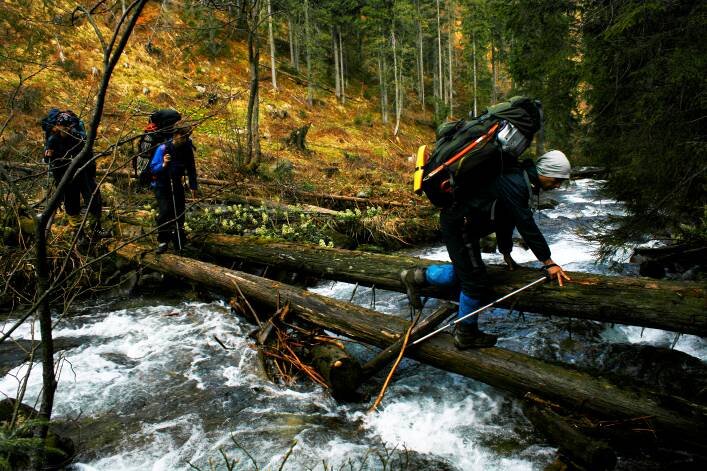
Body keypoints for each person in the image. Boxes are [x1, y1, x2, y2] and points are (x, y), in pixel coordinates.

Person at [401, 150, 572, 349]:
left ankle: (415, 277)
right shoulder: (517, 182)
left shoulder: (519, 180)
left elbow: (506, 218)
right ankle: (466, 333)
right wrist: (548, 262)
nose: (558, 184)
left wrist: (506, 251)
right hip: (459, 226)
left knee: (467, 274)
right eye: (557, 179)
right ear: (546, 171)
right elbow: (526, 224)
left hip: (464, 226)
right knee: (475, 282)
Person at [44, 112, 108, 241]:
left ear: (72, 125)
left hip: (82, 174)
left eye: (68, 126)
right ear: (57, 126)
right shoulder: (53, 140)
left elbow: (88, 155)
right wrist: (48, 155)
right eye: (62, 126)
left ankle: (96, 228)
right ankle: (79, 234)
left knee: (93, 199)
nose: (66, 129)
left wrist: (91, 173)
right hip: (65, 177)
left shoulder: (78, 137)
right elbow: (48, 160)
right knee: (71, 205)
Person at [149, 126, 198, 253]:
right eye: (183, 136)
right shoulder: (163, 148)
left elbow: (191, 168)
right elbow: (153, 168)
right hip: (161, 185)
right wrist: (164, 164)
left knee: (180, 213)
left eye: (187, 137)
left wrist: (193, 186)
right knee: (165, 212)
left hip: (176, 183)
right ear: (176, 134)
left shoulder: (187, 148)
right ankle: (163, 241)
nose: (184, 139)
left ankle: (179, 240)